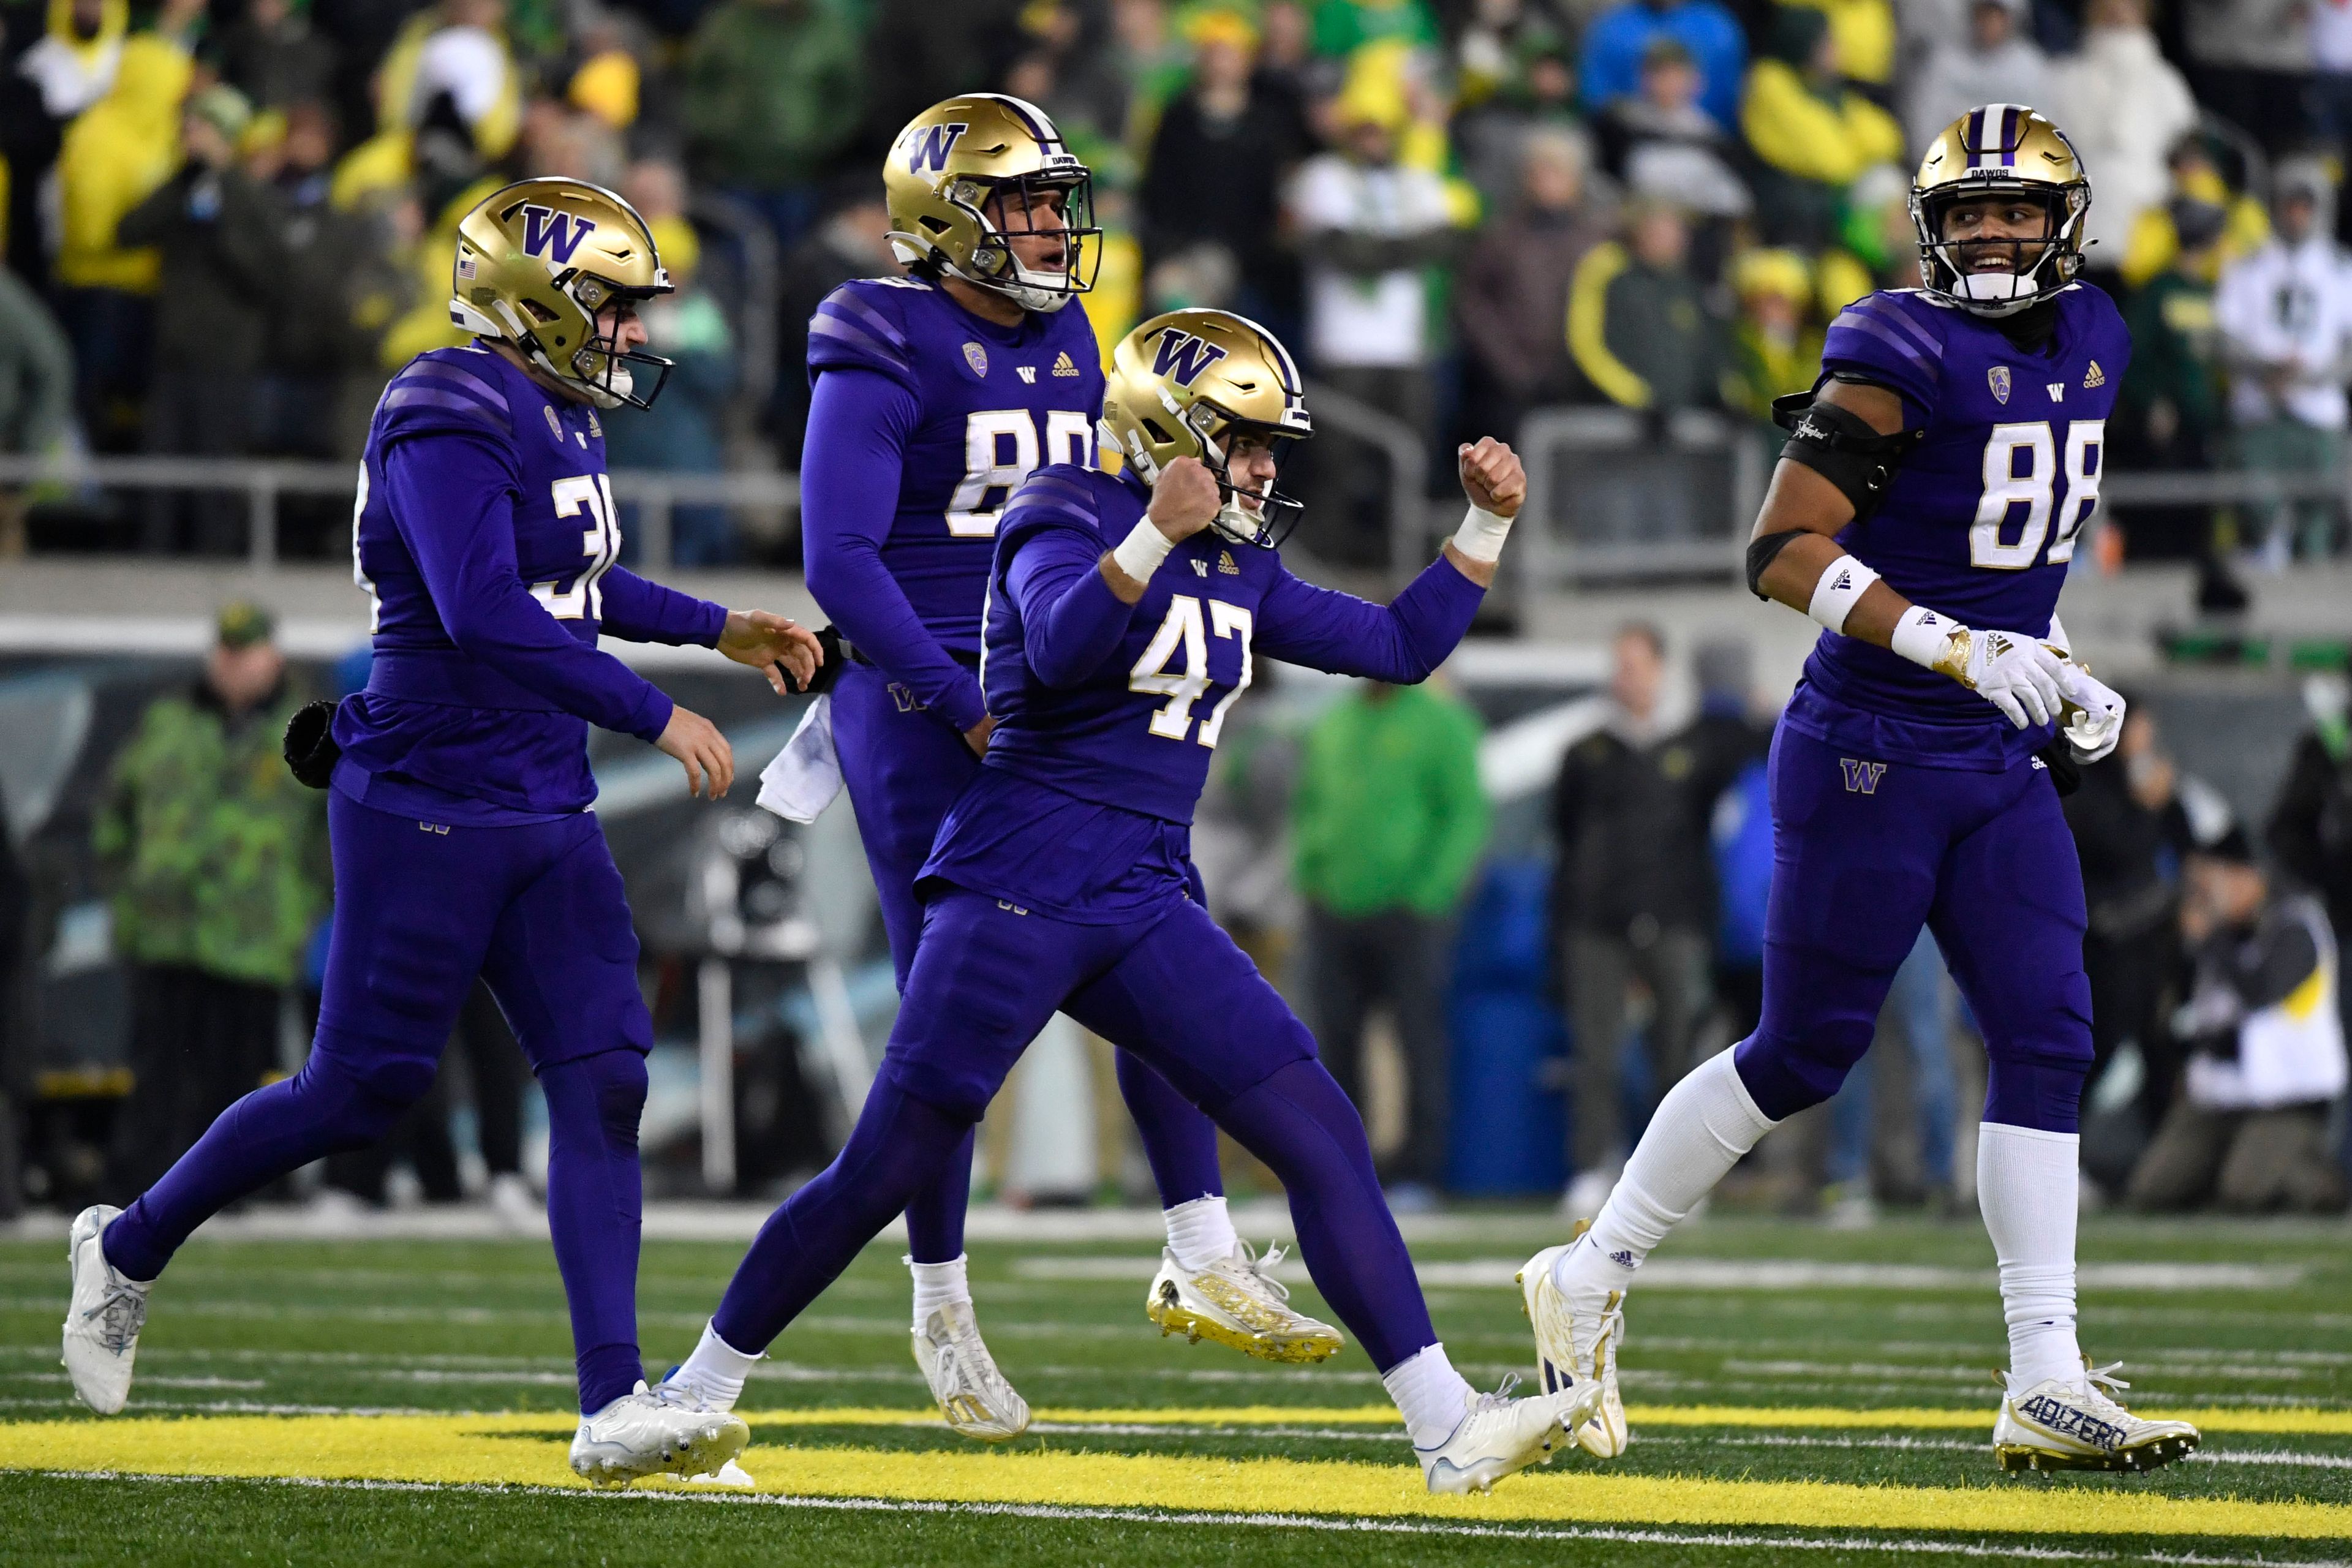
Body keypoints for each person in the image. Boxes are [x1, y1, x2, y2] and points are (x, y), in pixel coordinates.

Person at [669, 307, 1593, 1494]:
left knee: (1319, 1130)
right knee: (886, 1163)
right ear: (1173, 432)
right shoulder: (1064, 505)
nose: (1266, 468)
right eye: (1248, 441)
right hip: (1018, 880)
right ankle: (694, 1389)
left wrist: (1483, 524)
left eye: (1271, 446)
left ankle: (1446, 1420)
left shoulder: (1240, 556)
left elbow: (1399, 644)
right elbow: (1055, 649)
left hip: (1144, 891)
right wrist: (1154, 535)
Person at [62, 177, 824, 1491]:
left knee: (607, 1081)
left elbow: (577, 580)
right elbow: (484, 609)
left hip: (544, 803)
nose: (635, 334)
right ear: (534, 297)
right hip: (427, 802)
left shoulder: (559, 409)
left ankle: (611, 1403)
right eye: (614, 305)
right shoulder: (445, 408)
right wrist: (655, 709)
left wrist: (716, 624)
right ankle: (127, 1245)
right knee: (355, 1093)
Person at [1518, 106, 2203, 1476]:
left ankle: (2044, 1370)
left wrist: (2054, 656)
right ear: (1931, 228)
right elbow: (1779, 550)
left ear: (2064, 224)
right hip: (1870, 749)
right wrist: (1962, 644)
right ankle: (1590, 1268)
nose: (1995, 233)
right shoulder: (1893, 347)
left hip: (1993, 753)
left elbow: (2006, 545)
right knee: (1805, 1050)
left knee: (2049, 1030)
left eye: (2019, 211)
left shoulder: (2101, 338)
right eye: (1971, 214)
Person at [785, 96, 1319, 1444]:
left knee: (1155, 927)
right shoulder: (878, 330)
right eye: (1022, 202)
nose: (1048, 227)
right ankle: (941, 1295)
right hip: (919, 700)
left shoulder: (1075, 331)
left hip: (1053, 683)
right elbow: (841, 559)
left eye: (1049, 203)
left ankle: (1197, 1237)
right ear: (944, 213)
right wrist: (959, 698)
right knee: (942, 1031)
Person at [94, 603, 323, 1200]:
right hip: (165, 930)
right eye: (224, 652)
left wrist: (301, 906)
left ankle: (237, 1191)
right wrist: (127, 889)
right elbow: (114, 809)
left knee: (239, 1076)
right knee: (158, 1072)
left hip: (254, 934)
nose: (232, 666)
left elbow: (330, 837)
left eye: (244, 653)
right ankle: (142, 1186)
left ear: (272, 656)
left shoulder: (307, 729)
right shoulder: (168, 721)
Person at [1292, 674, 1489, 1204]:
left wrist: (1431, 891)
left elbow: (1464, 812)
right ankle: (1342, 1171)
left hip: (1409, 911)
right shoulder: (1335, 722)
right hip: (1334, 907)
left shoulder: (1441, 721)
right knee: (1334, 1044)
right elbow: (1312, 807)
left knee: (1418, 1041)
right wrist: (1311, 875)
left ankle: (1420, 1173)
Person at [1550, 624, 1718, 1216]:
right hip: (1597, 921)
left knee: (1677, 1054)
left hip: (1673, 917)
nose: (1629, 676)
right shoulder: (1587, 751)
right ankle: (1592, 1164)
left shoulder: (1692, 749)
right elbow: (1566, 835)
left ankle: (1673, 1178)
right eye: (1620, 664)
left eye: (1639, 664)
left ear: (1661, 669)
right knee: (1596, 1052)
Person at [2125, 824, 2347, 1212]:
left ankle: (2315, 1176)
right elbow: (2176, 1006)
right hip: (2220, 1097)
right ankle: (2231, 1167)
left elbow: (2259, 992)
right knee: (2153, 1189)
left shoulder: (2297, 923)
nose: (2207, 895)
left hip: (2288, 1097)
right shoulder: (2219, 935)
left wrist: (2211, 938)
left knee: (2244, 1190)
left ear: (2249, 876)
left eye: (2215, 882)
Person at [118, 84, 285, 553]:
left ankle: (214, 558)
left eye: (200, 127)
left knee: (217, 464)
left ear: (225, 137)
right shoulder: (183, 186)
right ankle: (155, 555)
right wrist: (182, 186)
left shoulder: (251, 198)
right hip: (173, 349)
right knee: (162, 461)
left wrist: (220, 225)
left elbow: (265, 279)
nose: (188, 135)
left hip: (226, 354)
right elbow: (129, 230)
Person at [2213, 159, 2352, 567]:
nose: (2297, 215)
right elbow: (2224, 339)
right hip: (2261, 413)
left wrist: (2315, 376)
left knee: (2318, 529)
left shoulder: (2341, 270)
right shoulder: (2248, 267)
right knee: (2260, 520)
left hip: (2319, 413)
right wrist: (2264, 369)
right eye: (2290, 204)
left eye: (2306, 205)